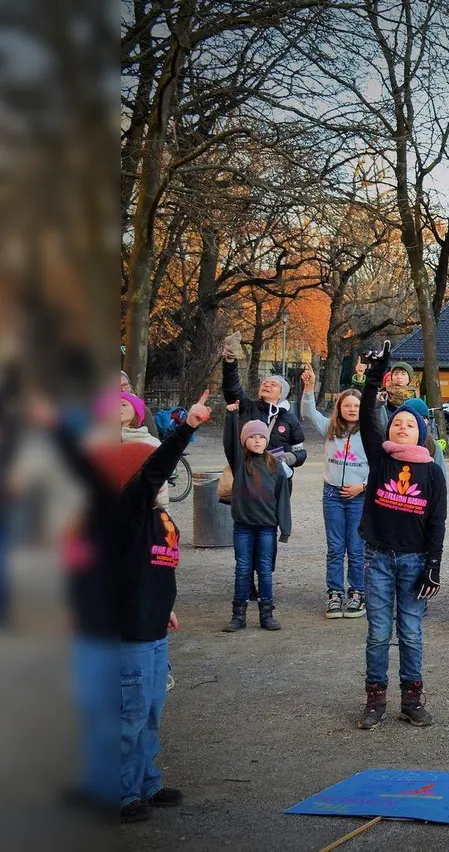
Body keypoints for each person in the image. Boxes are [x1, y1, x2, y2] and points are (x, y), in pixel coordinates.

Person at [103, 391, 210, 821]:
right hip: (128, 631)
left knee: (149, 711)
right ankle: (121, 793)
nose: (164, 480)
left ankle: (146, 782)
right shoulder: (123, 511)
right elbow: (155, 469)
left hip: (154, 629)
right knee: (128, 716)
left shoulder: (156, 515)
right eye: (153, 473)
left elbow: (159, 567)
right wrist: (187, 428)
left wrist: (166, 606)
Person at [357, 342, 447, 729]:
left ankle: (412, 698)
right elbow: (365, 417)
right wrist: (376, 373)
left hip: (413, 563)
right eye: (397, 423)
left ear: (421, 434)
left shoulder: (432, 472)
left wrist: (433, 566)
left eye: (410, 425)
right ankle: (375, 698)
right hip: (377, 557)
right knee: (378, 633)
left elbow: (438, 523)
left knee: (410, 632)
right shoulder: (381, 457)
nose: (402, 427)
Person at [220, 335, 307, 544]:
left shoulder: (290, 419)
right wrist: (230, 360)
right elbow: (232, 389)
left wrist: (288, 458)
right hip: (247, 479)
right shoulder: (248, 408)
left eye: (273, 384)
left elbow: (301, 453)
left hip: (276, 482)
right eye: (265, 383)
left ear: (282, 394)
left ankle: (266, 568)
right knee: (245, 531)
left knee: (268, 534)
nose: (267, 385)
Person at [301, 369, 369, 619]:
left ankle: (357, 593)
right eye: (347, 405)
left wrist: (362, 486)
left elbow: (381, 467)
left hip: (358, 496)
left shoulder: (370, 433)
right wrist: (309, 388)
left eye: (356, 405)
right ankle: (334, 593)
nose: (351, 409)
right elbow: (308, 414)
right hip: (332, 496)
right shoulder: (330, 429)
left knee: (356, 547)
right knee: (335, 547)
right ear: (339, 408)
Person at [223, 418, 288, 632]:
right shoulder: (239, 462)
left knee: (265, 570)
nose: (258, 440)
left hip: (267, 527)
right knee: (242, 569)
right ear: (244, 442)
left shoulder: (276, 466)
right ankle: (238, 615)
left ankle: (266, 614)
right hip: (243, 526)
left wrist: (285, 528)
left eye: (261, 437)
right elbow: (228, 442)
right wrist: (230, 417)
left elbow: (283, 498)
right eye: (252, 437)